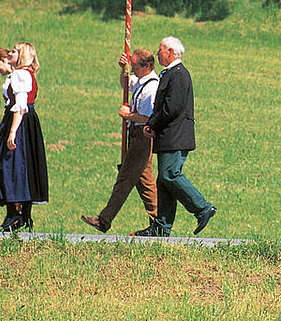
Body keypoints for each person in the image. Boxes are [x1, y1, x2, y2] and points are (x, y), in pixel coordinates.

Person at [142, 37, 215, 237]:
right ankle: (161, 227)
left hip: (176, 136)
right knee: (164, 181)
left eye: (160, 50)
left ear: (171, 52)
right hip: (168, 136)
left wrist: (152, 123)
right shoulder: (170, 74)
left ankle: (202, 208)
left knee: (170, 175)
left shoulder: (179, 75)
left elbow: (172, 108)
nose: (157, 54)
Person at [81, 49, 160, 234]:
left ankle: (104, 220)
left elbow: (149, 118)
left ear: (146, 66)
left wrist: (129, 115)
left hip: (143, 136)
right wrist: (123, 70)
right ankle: (160, 223)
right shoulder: (141, 81)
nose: (133, 70)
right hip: (135, 136)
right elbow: (126, 84)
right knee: (146, 185)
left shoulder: (151, 88)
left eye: (135, 67)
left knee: (124, 179)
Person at [0, 43, 49, 231]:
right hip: (27, 121)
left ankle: (14, 215)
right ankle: (24, 215)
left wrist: (12, 132)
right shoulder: (25, 74)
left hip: (19, 120)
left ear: (22, 56)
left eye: (14, 51)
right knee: (24, 166)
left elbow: (20, 105)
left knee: (8, 165)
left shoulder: (20, 75)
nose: (10, 53)